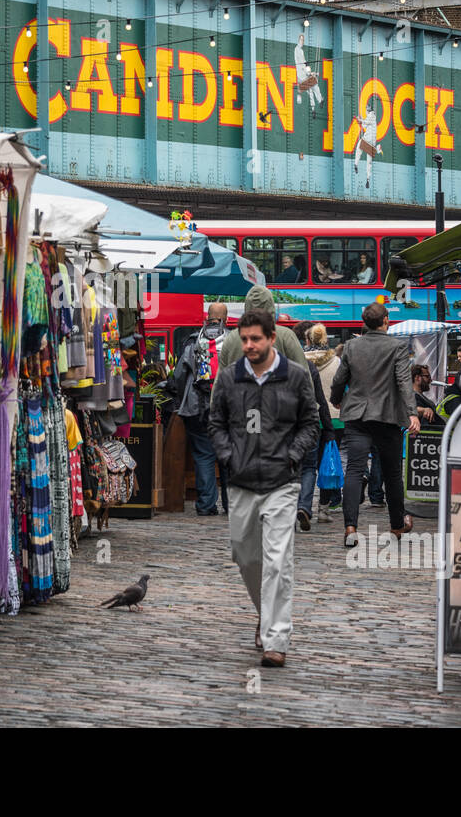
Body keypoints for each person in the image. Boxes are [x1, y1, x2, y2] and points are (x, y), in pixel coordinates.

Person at [208, 309, 319, 668]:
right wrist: (228, 455)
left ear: (272, 338)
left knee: (277, 562)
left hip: (281, 482)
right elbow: (216, 422)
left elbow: (310, 423)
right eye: (244, 339)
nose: (249, 345)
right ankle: (264, 614)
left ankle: (276, 638)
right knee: (246, 556)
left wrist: (292, 455)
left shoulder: (296, 377)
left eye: (255, 338)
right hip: (241, 481)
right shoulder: (229, 378)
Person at [329, 302, 420, 548]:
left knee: (355, 470)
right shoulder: (398, 347)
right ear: (386, 320)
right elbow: (403, 382)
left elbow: (339, 380)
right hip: (387, 416)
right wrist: (412, 413)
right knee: (392, 473)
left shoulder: (351, 346)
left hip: (357, 416)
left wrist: (336, 400)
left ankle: (350, 527)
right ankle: (396, 526)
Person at [165, 306, 228, 517]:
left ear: (207, 318)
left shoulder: (193, 341)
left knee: (203, 456)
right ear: (225, 319)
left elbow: (180, 375)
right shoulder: (233, 340)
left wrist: (184, 397)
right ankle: (232, 505)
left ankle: (206, 504)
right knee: (228, 457)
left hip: (196, 407)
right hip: (226, 409)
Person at [305, 324, 345, 516]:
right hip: (334, 418)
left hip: (308, 418)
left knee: (308, 465)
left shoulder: (301, 361)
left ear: (308, 340)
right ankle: (324, 507)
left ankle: (304, 504)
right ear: (326, 340)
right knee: (327, 462)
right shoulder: (336, 362)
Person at [220, 285, 308, 369]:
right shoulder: (287, 336)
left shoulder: (231, 338)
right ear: (271, 306)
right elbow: (304, 376)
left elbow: (220, 380)